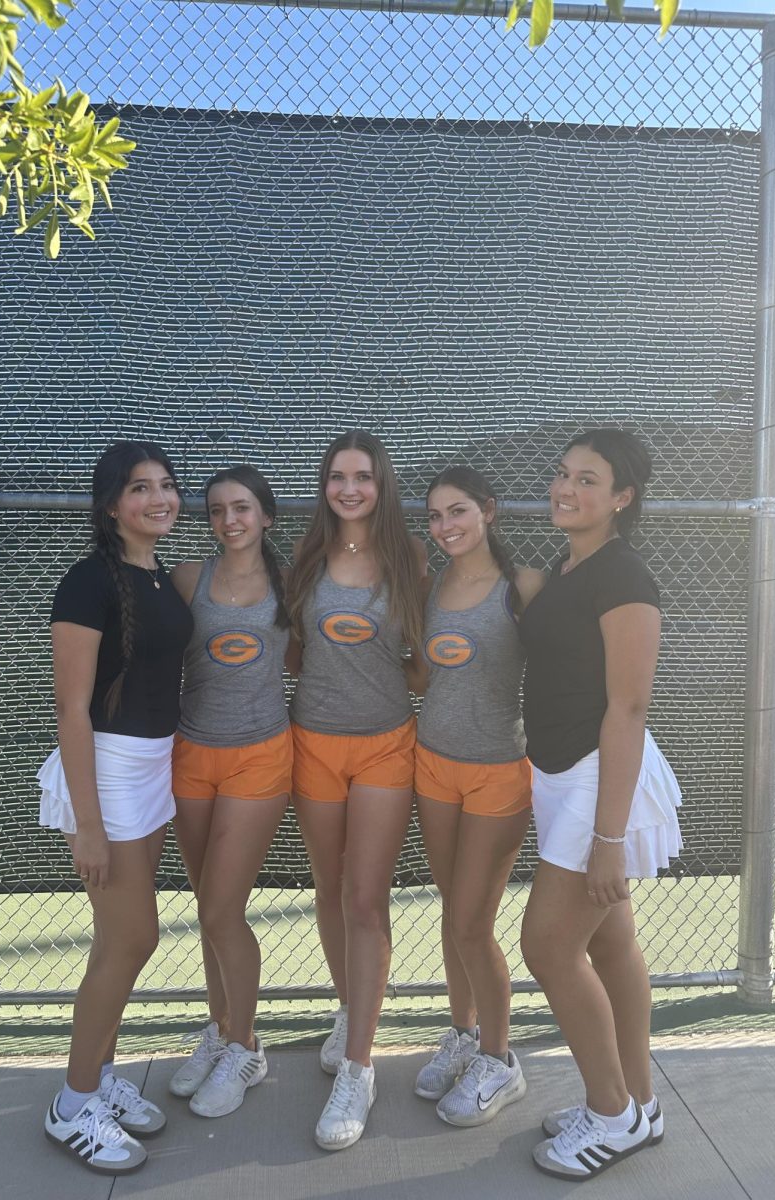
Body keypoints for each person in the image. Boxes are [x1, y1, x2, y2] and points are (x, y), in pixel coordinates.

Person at [518, 428, 682, 1182]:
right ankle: (640, 1107)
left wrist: (609, 838)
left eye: (588, 480)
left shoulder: (626, 577)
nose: (566, 488)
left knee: (549, 947)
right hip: (558, 776)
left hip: (597, 782)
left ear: (622, 498)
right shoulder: (570, 561)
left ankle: (610, 1114)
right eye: (562, 475)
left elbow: (629, 711)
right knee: (610, 944)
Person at [38, 441, 193, 1175]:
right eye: (140, 488)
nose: (158, 498)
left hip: (154, 767)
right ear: (111, 505)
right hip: (106, 772)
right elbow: (72, 710)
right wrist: (89, 826)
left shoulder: (159, 576)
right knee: (132, 939)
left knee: (120, 941)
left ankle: (97, 1079)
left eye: (166, 486)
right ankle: (72, 1106)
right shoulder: (86, 582)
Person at [285, 429, 425, 1151]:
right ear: (324, 483)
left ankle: (360, 1068)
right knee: (330, 889)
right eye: (337, 475)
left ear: (382, 484)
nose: (349, 488)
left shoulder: (408, 562)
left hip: (384, 748)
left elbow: (425, 662)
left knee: (367, 900)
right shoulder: (306, 561)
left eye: (362, 477)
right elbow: (292, 650)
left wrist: (379, 687)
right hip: (313, 743)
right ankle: (352, 1009)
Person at [411, 466, 544, 1126]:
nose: (445, 527)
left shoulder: (525, 587)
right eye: (435, 517)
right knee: (450, 910)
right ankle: (463, 1038)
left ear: (488, 511)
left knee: (471, 920)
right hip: (432, 765)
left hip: (498, 772)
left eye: (457, 512)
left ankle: (501, 1059)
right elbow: (424, 668)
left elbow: (564, 675)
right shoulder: (432, 582)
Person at [168, 466, 291, 1118]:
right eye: (216, 510)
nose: (229, 520)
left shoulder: (293, 583)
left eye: (241, 508)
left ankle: (246, 1046)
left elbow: (301, 657)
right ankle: (219, 1031)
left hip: (261, 757)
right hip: (191, 754)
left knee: (222, 910)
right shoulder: (190, 578)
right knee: (205, 905)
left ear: (266, 516)